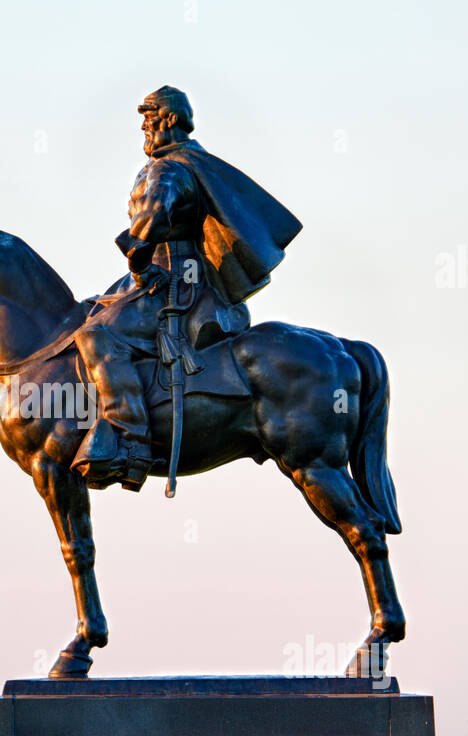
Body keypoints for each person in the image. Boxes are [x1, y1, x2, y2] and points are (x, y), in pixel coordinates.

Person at [72, 86, 304, 490]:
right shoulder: (183, 163)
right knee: (92, 311)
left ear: (168, 120)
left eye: (149, 118)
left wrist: (138, 251)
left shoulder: (169, 169)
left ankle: (131, 441)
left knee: (96, 335)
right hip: (166, 278)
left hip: (174, 283)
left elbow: (154, 215)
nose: (144, 127)